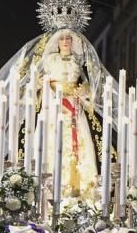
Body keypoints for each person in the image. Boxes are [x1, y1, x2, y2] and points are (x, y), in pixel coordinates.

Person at [41, 29, 100, 197]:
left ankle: (80, 190)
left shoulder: (76, 61)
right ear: (57, 43)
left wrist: (83, 91)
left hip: (74, 108)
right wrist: (55, 88)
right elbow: (42, 81)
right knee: (55, 142)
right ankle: (54, 189)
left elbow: (88, 85)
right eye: (62, 39)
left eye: (68, 38)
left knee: (80, 145)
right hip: (56, 107)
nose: (65, 41)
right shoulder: (50, 60)